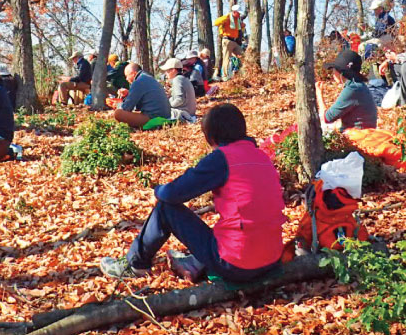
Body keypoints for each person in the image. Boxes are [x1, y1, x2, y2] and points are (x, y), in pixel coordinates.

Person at [99, 103, 285, 283]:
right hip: (272, 258)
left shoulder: (222, 158)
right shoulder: (262, 157)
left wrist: (157, 190)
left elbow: (173, 193)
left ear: (212, 137)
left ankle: (134, 265)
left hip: (237, 263)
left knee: (165, 208)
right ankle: (195, 264)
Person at [319, 49, 378, 130]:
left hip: (359, 135)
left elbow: (327, 118)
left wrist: (319, 94)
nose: (332, 73)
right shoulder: (358, 85)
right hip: (364, 131)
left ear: (341, 72)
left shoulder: (352, 89)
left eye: (334, 70)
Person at [113, 63, 172, 128]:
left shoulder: (138, 82)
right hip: (166, 116)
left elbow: (126, 108)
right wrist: (128, 93)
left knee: (118, 113)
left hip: (153, 118)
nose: (126, 79)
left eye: (127, 76)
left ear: (133, 73)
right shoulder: (148, 78)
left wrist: (117, 105)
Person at [161, 57, 198, 122]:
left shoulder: (177, 80)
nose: (166, 73)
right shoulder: (183, 78)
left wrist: (167, 105)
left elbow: (180, 99)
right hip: (190, 112)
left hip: (184, 114)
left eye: (167, 71)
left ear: (173, 70)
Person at [213, 5, 245, 80]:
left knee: (243, 56)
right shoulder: (227, 18)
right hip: (227, 40)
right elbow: (216, 23)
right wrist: (225, 17)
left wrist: (243, 26)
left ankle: (243, 74)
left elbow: (239, 30)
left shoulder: (238, 20)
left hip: (235, 41)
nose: (239, 14)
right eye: (238, 13)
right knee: (226, 58)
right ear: (234, 12)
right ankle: (225, 76)